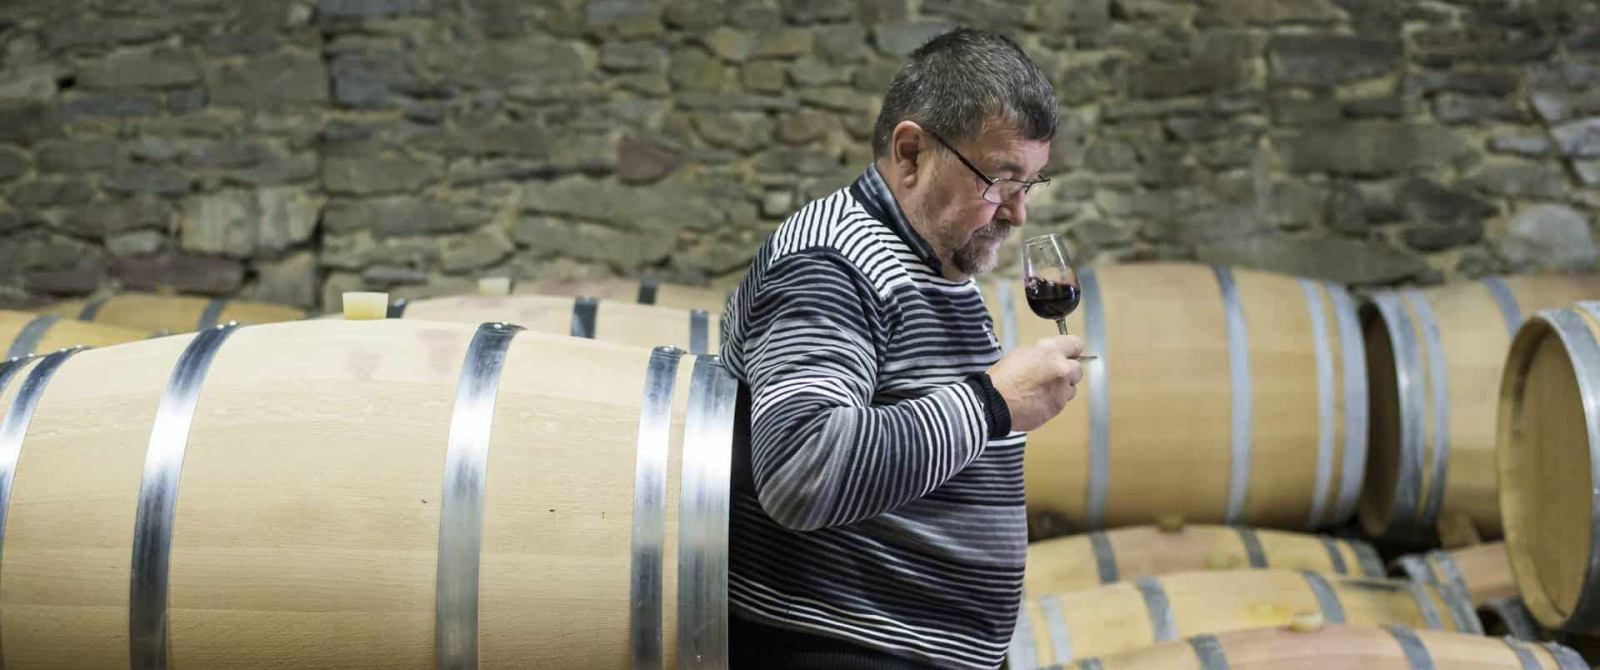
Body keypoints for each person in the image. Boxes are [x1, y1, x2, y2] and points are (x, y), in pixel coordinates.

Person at [717, 27, 1086, 670]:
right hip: (843, 644)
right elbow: (802, 469)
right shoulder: (831, 262)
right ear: (912, 152)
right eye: (1000, 181)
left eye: (1031, 184)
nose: (1018, 213)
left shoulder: (926, 259)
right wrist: (994, 403)